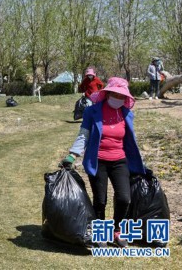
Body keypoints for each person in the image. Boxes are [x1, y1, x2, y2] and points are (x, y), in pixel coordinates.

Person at [60, 77, 145, 248]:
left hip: (120, 160)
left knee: (124, 198)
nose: (118, 99)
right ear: (107, 94)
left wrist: (139, 162)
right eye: (115, 94)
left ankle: (116, 231)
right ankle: (100, 232)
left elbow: (131, 141)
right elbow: (84, 134)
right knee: (100, 200)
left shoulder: (126, 113)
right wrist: (72, 155)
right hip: (98, 161)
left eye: (121, 96)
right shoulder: (93, 112)